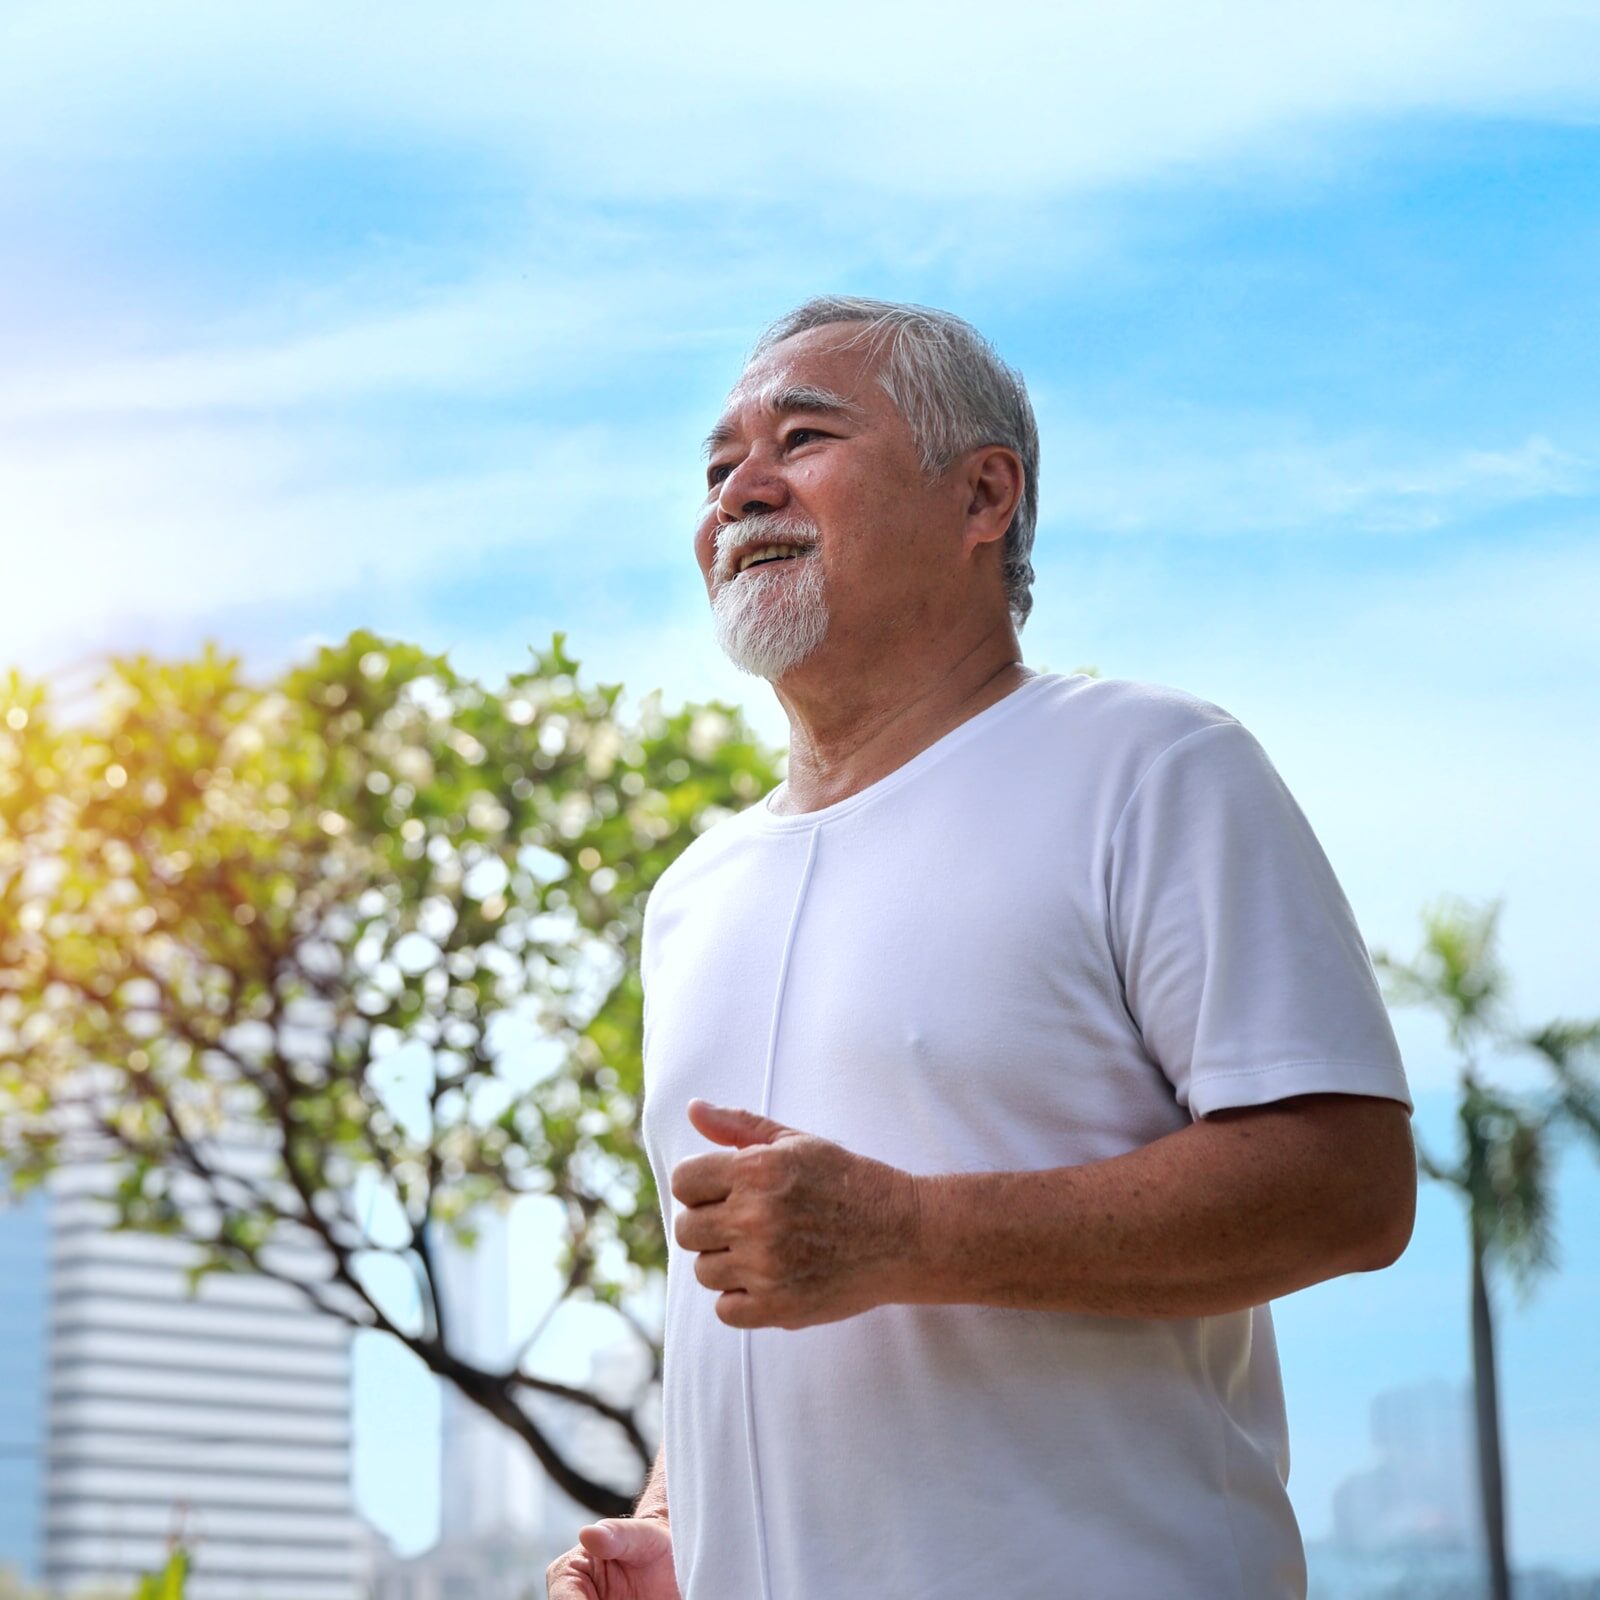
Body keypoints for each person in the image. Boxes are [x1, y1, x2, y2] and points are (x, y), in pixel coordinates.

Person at [546, 296, 1416, 1600]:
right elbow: (734, 1293)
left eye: (803, 438)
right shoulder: (691, 895)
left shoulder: (1155, 767)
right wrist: (681, 1519)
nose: (744, 490)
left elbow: (1350, 1187)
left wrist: (908, 1233)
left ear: (983, 497)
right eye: (720, 467)